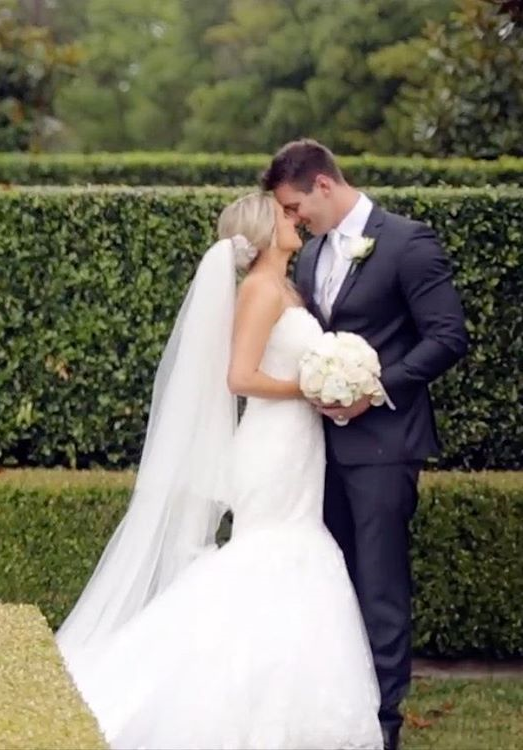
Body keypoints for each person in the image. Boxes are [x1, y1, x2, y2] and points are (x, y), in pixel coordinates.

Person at [55, 191, 384, 750]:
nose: (295, 219)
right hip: (272, 445)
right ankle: (222, 701)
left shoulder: (287, 287)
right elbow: (240, 377)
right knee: (273, 554)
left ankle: (289, 706)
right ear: (264, 231)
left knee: (293, 554)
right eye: (284, 215)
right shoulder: (260, 290)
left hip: (300, 445)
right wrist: (310, 389)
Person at [262, 138, 469, 750]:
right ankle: (337, 712)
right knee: (333, 585)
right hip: (315, 450)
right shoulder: (310, 255)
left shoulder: (407, 242)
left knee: (380, 585)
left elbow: (447, 337)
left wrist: (373, 389)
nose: (294, 219)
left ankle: (384, 723)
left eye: (296, 206)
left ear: (325, 185)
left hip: (385, 445)